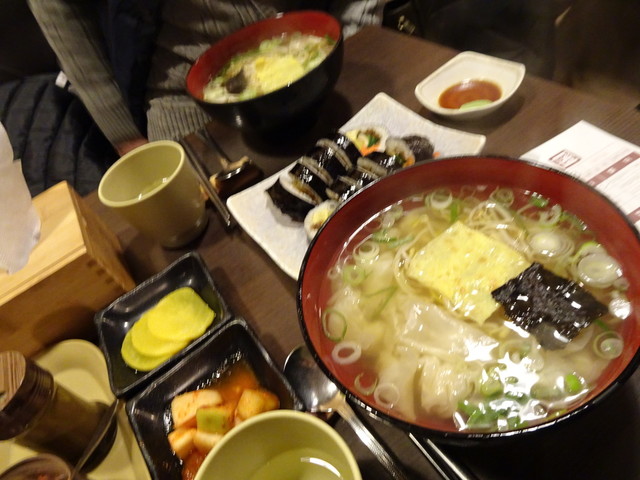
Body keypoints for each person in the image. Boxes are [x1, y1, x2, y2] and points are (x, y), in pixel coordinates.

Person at [27, 0, 387, 156]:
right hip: (181, 94)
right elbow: (59, 12)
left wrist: (359, 34)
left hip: (320, 47)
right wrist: (125, 136)